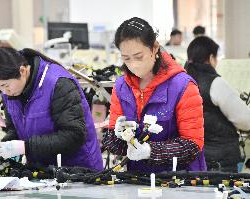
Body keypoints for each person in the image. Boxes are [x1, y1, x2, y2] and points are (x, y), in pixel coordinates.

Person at [102, 17, 206, 173]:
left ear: (154, 48)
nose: (133, 64)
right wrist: (117, 137)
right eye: (126, 58)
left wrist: (150, 151)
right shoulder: (121, 87)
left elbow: (193, 145)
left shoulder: (183, 86)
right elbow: (116, 146)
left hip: (181, 181)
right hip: (139, 181)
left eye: (138, 56)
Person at [0, 47, 103, 173]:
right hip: (43, 173)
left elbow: (74, 135)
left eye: (5, 85)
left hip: (79, 172)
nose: (4, 91)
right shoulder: (10, 92)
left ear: (22, 71)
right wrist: (5, 151)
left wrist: (26, 147)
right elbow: (15, 129)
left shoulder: (58, 83)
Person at [185, 36, 250, 172]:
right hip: (221, 161)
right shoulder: (214, 83)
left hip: (193, 159)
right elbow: (245, 120)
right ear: (210, 58)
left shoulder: (183, 82)